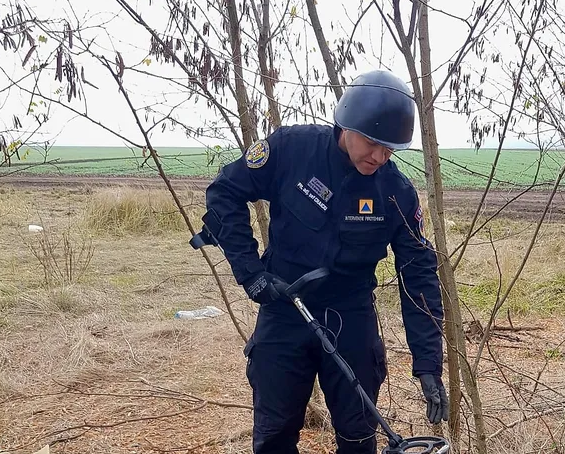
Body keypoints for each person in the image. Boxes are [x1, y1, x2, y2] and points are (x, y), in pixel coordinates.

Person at [192, 69, 449, 454]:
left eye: (390, 149)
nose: (380, 156)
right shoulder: (291, 150)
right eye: (373, 143)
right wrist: (251, 274)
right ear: (346, 124)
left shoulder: (395, 192)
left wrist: (428, 363)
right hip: (283, 307)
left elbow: (418, 274)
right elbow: (225, 193)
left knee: (359, 436)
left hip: (351, 315)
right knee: (274, 435)